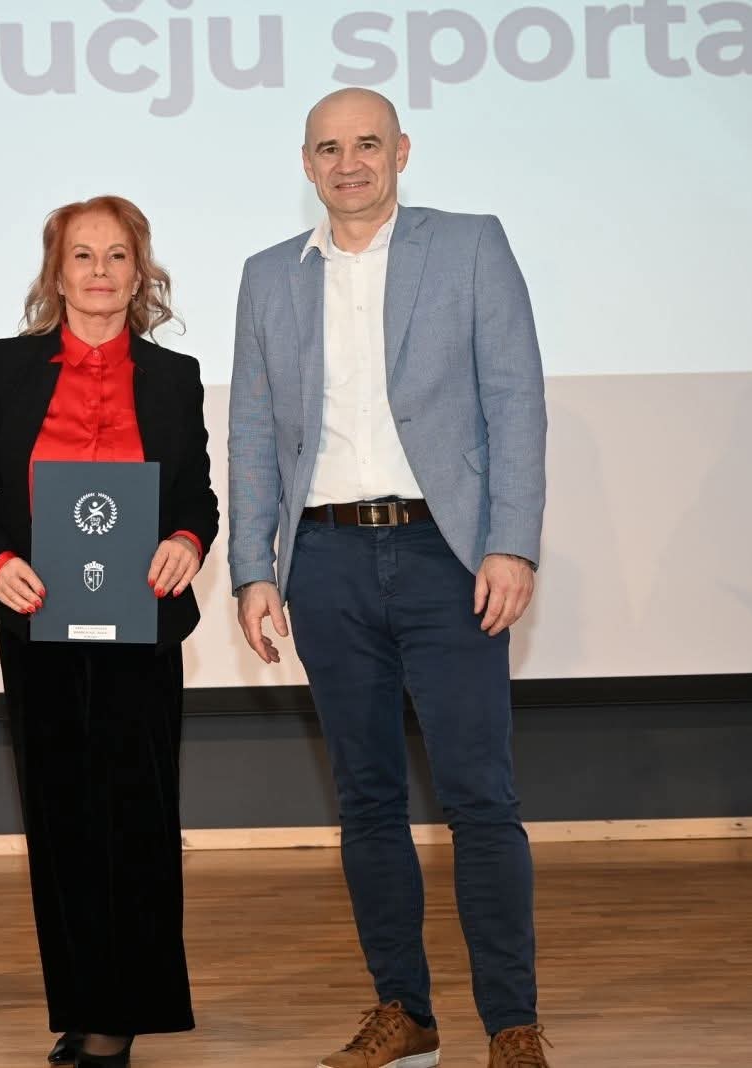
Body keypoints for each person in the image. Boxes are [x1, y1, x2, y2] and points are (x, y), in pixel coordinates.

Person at [228, 88, 553, 1068]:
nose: (349, 163)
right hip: (324, 561)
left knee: (478, 797)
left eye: (367, 144)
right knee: (366, 800)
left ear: (401, 151)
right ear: (306, 164)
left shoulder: (469, 245)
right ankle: (403, 1012)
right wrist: (252, 568)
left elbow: (516, 400)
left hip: (445, 557)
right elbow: (251, 431)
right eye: (328, 149)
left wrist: (512, 543)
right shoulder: (268, 276)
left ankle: (511, 1023)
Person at [0, 196, 217, 1067]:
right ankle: (83, 1001)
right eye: (83, 256)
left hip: (142, 626)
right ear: (56, 274)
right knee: (60, 818)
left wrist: (187, 540)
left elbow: (197, 497)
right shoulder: (11, 367)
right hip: (39, 623)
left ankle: (124, 1012)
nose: (100, 271)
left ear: (141, 274)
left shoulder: (174, 377)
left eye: (117, 256)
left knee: (137, 816)